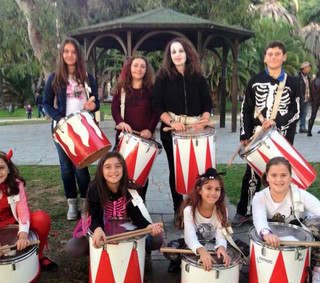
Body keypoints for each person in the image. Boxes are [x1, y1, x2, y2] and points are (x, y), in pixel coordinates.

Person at [232, 40, 300, 227]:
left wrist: (277, 122)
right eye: (270, 54)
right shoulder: (254, 81)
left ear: (284, 57)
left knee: (279, 175)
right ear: (264, 58)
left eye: (277, 54)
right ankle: (245, 211)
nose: (273, 57)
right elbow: (246, 109)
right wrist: (244, 135)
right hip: (257, 136)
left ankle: (277, 212)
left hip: (282, 137)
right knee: (252, 174)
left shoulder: (294, 82)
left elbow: (297, 111)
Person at [152, 37, 212, 216]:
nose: (177, 55)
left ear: (187, 53)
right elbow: (156, 105)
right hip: (173, 131)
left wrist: (205, 118)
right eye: (173, 52)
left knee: (200, 170)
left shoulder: (198, 77)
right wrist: (172, 123)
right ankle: (179, 209)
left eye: (180, 51)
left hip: (196, 129)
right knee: (177, 171)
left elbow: (206, 101)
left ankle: (199, 208)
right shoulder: (163, 77)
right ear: (169, 56)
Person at [43, 37, 100, 221]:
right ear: (62, 55)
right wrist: (60, 119)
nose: (69, 55)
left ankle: (86, 203)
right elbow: (45, 104)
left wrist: (93, 106)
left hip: (82, 128)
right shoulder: (55, 77)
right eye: (66, 52)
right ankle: (72, 204)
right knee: (66, 169)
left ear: (78, 55)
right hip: (61, 129)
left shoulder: (87, 77)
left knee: (81, 168)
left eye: (73, 52)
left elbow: (95, 102)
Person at [66, 151, 163, 257]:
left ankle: (137, 251)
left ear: (123, 169)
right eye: (108, 167)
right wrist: (98, 229)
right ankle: (97, 254)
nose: (113, 171)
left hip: (126, 228)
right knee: (74, 248)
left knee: (156, 240)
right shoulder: (95, 188)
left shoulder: (130, 189)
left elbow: (136, 215)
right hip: (99, 224)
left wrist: (149, 226)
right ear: (101, 170)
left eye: (118, 166)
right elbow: (95, 216)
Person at [252, 156, 320, 283]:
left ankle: (316, 268)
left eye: (283, 175)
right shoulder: (260, 197)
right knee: (257, 235)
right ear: (267, 177)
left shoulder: (300, 194)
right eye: (274, 175)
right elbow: (259, 219)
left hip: (300, 233)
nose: (279, 179)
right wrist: (266, 233)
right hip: (274, 235)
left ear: (290, 177)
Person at [165, 168, 231, 273]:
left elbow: (220, 236)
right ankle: (178, 261)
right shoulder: (189, 210)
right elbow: (190, 237)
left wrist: (221, 247)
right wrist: (202, 251)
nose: (213, 193)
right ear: (199, 190)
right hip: (191, 241)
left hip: (211, 241)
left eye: (217, 189)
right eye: (208, 188)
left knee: (242, 249)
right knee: (171, 250)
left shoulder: (222, 211)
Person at [0, 149, 57, 271]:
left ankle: (38, 256)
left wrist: (23, 235)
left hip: (14, 222)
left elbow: (23, 210)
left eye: (1, 168)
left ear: (8, 169)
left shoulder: (15, 184)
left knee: (41, 219)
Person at [111, 56, 159, 200]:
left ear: (147, 70)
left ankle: (140, 204)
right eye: (135, 65)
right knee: (120, 173)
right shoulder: (121, 88)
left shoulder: (151, 90)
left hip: (144, 140)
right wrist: (120, 122)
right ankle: (121, 207)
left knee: (140, 175)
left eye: (143, 66)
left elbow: (155, 112)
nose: (139, 69)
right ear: (129, 68)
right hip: (124, 138)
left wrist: (150, 129)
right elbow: (114, 109)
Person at [297, 61, 312, 133]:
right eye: (308, 67)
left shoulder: (309, 77)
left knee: (304, 113)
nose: (309, 69)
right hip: (299, 99)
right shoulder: (297, 77)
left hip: (307, 98)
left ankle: (302, 127)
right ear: (303, 69)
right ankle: (293, 128)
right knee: (297, 113)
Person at [308, 69, 320, 136]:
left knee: (313, 116)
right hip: (317, 100)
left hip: (314, 101)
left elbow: (310, 92)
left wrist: (311, 100)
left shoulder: (312, 82)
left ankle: (309, 131)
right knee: (313, 116)